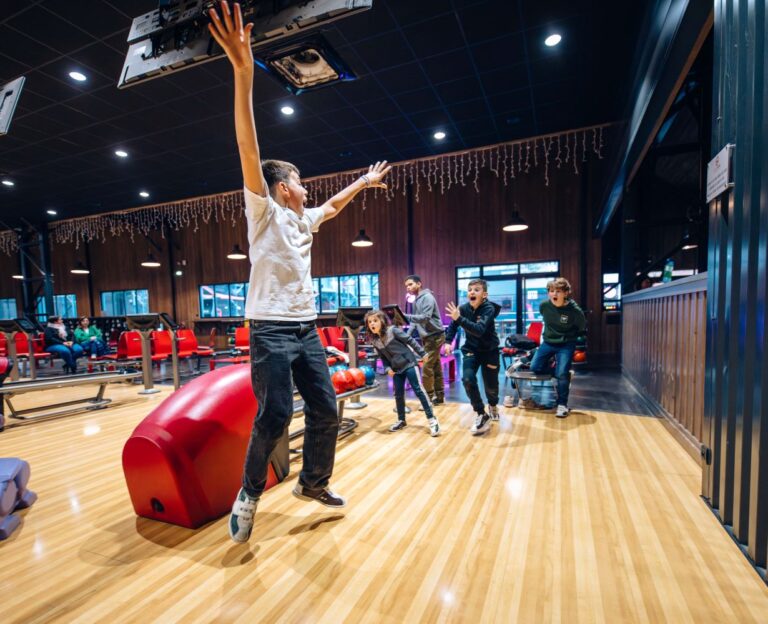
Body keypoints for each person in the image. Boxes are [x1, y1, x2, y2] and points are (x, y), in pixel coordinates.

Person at [208, 1, 392, 543]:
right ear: (284, 186)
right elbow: (248, 147)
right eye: (301, 180)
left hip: (305, 329)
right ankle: (249, 493)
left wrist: (363, 183)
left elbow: (330, 207)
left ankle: (313, 483)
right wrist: (243, 72)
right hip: (269, 329)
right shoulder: (264, 212)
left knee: (325, 408)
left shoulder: (301, 218)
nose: (307, 187)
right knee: (273, 417)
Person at [365, 309, 440, 437]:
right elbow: (383, 357)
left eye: (375, 320)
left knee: (418, 390)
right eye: (370, 322)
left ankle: (432, 419)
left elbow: (409, 340)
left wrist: (422, 353)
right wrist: (387, 369)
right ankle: (401, 420)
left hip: (409, 363)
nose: (372, 323)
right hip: (396, 369)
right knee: (398, 394)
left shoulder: (393, 330)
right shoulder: (375, 341)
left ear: (382, 321)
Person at [443, 279, 501, 435]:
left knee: (491, 385)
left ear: (484, 295)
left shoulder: (488, 308)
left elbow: (479, 330)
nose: (472, 292)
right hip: (471, 350)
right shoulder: (463, 309)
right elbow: (453, 326)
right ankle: (481, 413)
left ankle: (493, 405)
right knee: (467, 379)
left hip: (490, 351)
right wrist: (448, 341)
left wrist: (459, 318)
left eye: (476, 289)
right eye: (469, 290)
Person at [525, 277, 586, 418]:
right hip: (548, 342)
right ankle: (561, 373)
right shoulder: (544, 306)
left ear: (566, 293)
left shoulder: (574, 310)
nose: (554, 294)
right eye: (551, 291)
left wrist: (569, 336)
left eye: (558, 291)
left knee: (562, 374)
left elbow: (581, 326)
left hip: (566, 344)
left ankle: (562, 405)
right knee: (535, 367)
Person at [403, 275, 445, 406]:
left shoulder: (427, 297)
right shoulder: (416, 300)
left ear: (419, 284)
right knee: (435, 367)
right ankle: (439, 397)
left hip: (435, 336)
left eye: (410, 284)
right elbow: (415, 322)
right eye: (406, 286)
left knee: (427, 367)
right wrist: (406, 337)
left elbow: (425, 317)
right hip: (428, 337)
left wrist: (405, 316)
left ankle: (428, 398)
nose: (408, 288)